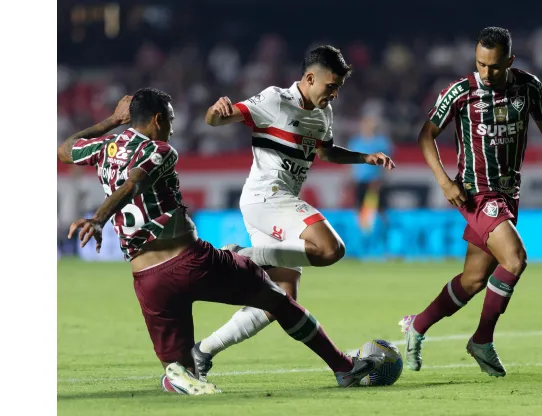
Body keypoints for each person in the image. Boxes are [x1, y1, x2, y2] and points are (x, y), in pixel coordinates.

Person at [58, 88, 384, 395]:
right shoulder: (159, 150)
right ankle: (344, 368)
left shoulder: (106, 148)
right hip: (190, 263)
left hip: (147, 281)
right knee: (278, 300)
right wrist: (98, 218)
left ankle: (182, 374)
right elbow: (134, 182)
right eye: (170, 119)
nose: (172, 128)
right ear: (158, 120)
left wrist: (112, 122)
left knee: (180, 371)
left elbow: (64, 150)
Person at [399, 27, 542, 377]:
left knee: (474, 280)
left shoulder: (528, 87)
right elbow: (425, 135)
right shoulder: (460, 92)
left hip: (508, 194)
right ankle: (482, 340)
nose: (486, 73)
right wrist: (445, 181)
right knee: (516, 258)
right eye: (480, 64)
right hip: (477, 193)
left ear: (510, 60)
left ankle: (418, 325)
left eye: (493, 66)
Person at [191, 45, 395, 380]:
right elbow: (217, 120)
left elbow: (326, 154)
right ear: (310, 77)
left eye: (338, 88)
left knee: (279, 300)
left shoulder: (322, 113)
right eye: (330, 86)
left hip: (274, 204)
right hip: (266, 197)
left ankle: (202, 352)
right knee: (331, 249)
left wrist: (364, 158)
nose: (334, 94)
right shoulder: (274, 100)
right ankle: (240, 256)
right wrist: (215, 111)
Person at [347, 114, 393, 231]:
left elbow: (386, 162)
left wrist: (382, 179)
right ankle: (363, 233)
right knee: (360, 208)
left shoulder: (381, 142)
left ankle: (384, 233)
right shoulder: (355, 142)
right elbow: (351, 163)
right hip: (360, 180)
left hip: (374, 181)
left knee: (379, 208)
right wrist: (350, 178)